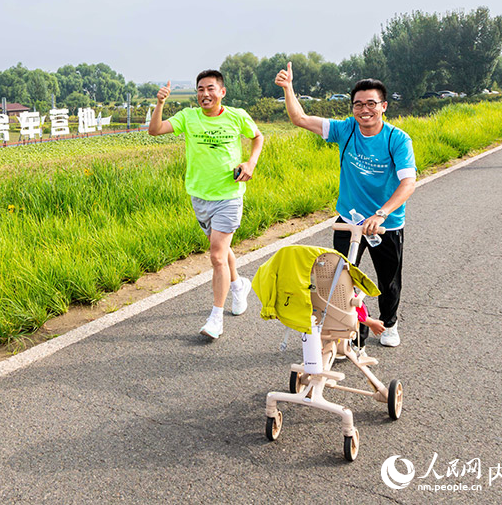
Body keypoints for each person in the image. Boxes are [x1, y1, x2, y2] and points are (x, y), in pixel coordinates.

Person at [275, 63, 416, 351]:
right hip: (349, 219)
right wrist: (288, 88)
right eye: (358, 104)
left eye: (371, 103)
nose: (365, 110)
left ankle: (389, 323)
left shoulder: (397, 139)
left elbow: (408, 183)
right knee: (341, 280)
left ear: (383, 106)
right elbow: (300, 118)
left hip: (386, 223)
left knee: (387, 280)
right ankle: (356, 335)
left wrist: (382, 214)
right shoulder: (345, 129)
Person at [148, 71, 264, 339]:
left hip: (229, 196)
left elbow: (257, 137)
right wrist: (160, 103)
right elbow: (155, 130)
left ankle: (216, 318)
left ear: (222, 92)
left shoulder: (237, 116)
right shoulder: (188, 117)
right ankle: (238, 285)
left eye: (210, 88)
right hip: (199, 196)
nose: (205, 94)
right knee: (220, 248)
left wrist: (250, 163)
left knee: (216, 256)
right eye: (200, 89)